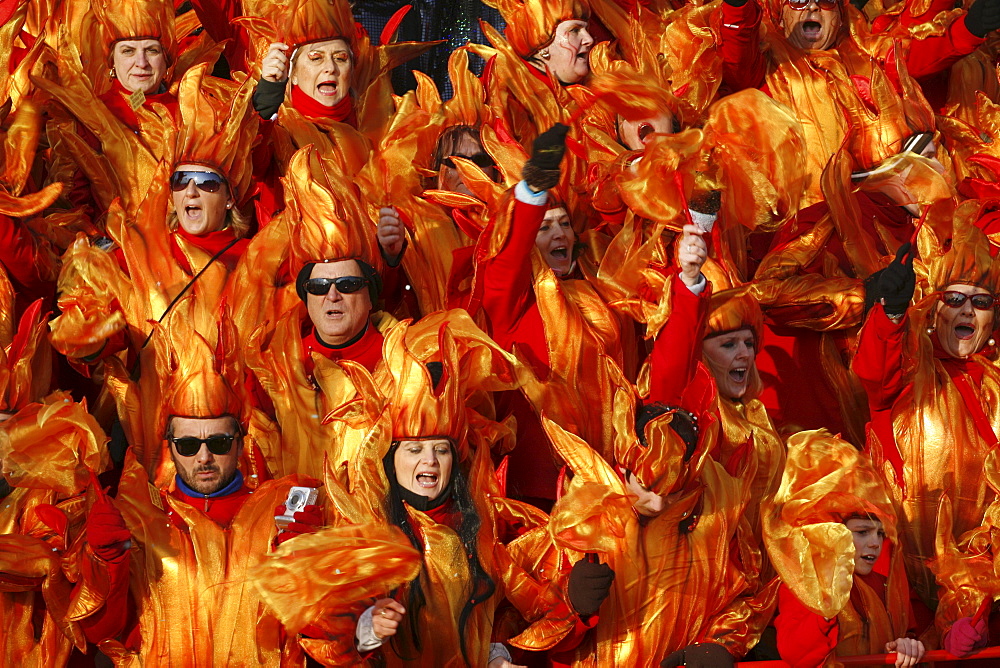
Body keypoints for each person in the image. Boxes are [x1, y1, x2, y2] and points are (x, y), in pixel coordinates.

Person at [75, 306, 322, 664]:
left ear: (239, 442)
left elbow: (320, 637)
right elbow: (101, 633)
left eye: (218, 443)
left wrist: (308, 569)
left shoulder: (286, 508)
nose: (203, 457)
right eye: (188, 445)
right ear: (170, 448)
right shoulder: (140, 518)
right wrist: (106, 564)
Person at [852, 212, 999, 649]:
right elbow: (875, 369)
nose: (967, 310)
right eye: (954, 299)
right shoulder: (908, 371)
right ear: (933, 308)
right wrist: (891, 313)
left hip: (982, 605)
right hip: (902, 599)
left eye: (981, 301)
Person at [767, 430, 925, 668]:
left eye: (880, 534)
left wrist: (907, 646)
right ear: (830, 532)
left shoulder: (887, 585)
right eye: (862, 532)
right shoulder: (803, 586)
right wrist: (826, 604)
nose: (875, 543)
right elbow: (797, 654)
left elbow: (908, 637)